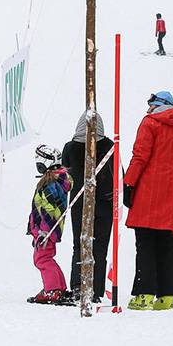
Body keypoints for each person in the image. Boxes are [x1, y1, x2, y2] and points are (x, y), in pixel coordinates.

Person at [123, 90, 173, 311]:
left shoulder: (150, 123)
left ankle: (144, 294)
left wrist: (128, 183)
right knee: (166, 248)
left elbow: (140, 156)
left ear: (158, 105)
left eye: (151, 104)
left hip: (148, 195)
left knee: (145, 246)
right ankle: (166, 297)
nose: (148, 108)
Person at [62, 112, 114, 303]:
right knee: (100, 247)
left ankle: (78, 286)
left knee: (79, 244)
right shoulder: (109, 146)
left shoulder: (70, 147)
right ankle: (96, 289)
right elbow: (117, 173)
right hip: (105, 204)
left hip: (79, 203)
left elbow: (65, 170)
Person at [27, 144, 72, 305]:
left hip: (46, 230)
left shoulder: (50, 184)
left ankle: (53, 290)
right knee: (46, 258)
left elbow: (48, 210)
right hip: (49, 229)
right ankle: (58, 288)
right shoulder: (55, 181)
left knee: (42, 259)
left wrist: (43, 232)